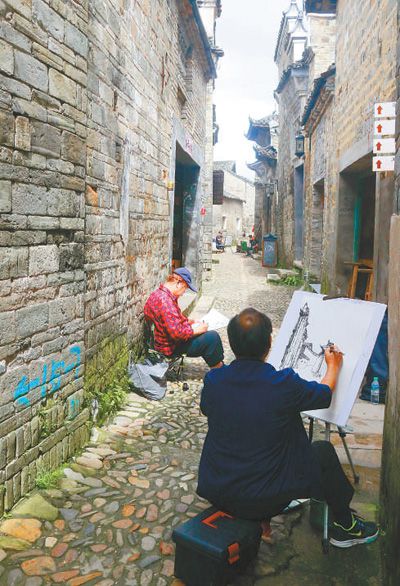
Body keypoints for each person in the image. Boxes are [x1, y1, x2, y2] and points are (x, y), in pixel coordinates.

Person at [197, 307, 379, 548]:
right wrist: (333, 366)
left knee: (249, 435)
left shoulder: (214, 381)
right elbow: (323, 394)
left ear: (231, 344)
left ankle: (259, 519)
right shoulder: (283, 384)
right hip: (264, 496)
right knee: (322, 451)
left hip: (218, 488)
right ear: (269, 344)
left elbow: (211, 410)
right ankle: (346, 525)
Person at [144, 267, 224, 369]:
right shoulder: (166, 302)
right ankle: (219, 370)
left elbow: (172, 320)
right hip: (170, 347)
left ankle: (219, 367)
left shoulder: (159, 294)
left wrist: (190, 322)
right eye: (185, 288)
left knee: (208, 336)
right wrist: (197, 330)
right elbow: (177, 334)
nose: (183, 293)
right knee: (212, 338)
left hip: (166, 341)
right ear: (178, 283)